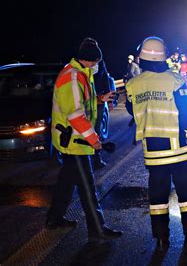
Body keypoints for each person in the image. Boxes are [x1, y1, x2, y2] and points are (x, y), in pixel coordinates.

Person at [125, 37, 187, 250]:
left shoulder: (133, 85)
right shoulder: (175, 81)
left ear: (142, 58)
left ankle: (161, 239)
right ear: (163, 57)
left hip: (152, 152)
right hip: (178, 150)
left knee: (157, 199)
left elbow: (132, 111)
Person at [46, 37, 122, 242]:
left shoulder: (81, 74)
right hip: (74, 142)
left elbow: (82, 102)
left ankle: (54, 219)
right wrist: (94, 140)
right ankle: (97, 229)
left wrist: (100, 99)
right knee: (88, 188)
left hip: (74, 140)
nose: (96, 65)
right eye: (95, 62)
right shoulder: (72, 78)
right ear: (87, 60)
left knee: (66, 183)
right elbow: (76, 114)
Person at [91, 59, 113, 169]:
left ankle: (95, 158)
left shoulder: (98, 63)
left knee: (95, 130)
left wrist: (108, 100)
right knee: (95, 130)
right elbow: (106, 81)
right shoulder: (96, 63)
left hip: (98, 101)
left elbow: (106, 80)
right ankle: (95, 158)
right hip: (93, 101)